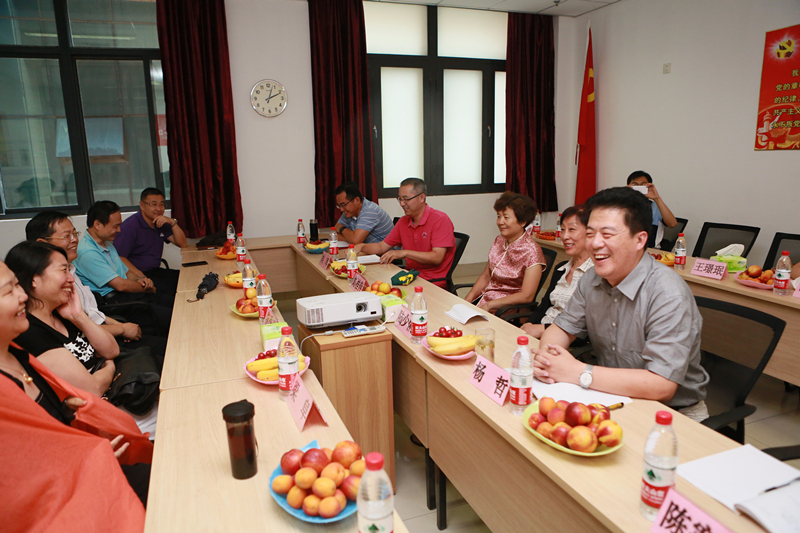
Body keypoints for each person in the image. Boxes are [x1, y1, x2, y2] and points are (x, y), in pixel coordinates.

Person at [533, 187, 710, 422]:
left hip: (673, 413)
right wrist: (549, 360)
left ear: (640, 240)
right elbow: (562, 328)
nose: (595, 244)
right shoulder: (591, 279)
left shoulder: (668, 293)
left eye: (607, 234)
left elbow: (661, 385)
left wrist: (577, 372)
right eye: (590, 233)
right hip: (612, 396)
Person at [0, 260, 152, 524]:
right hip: (61, 499)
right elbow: (18, 479)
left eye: (17, 285)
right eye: (9, 291)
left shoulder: (17, 354)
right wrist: (82, 462)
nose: (23, 295)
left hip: (87, 464)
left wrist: (69, 414)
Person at [7, 241, 158, 435]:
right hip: (101, 415)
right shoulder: (31, 331)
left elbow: (112, 350)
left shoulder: (61, 313)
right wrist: (109, 365)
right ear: (35, 279)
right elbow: (93, 388)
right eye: (63, 270)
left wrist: (78, 316)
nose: (71, 279)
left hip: (123, 395)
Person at [26, 211, 167, 366]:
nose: (74, 240)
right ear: (42, 243)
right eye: (66, 236)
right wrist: (121, 329)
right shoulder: (52, 287)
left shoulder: (71, 269)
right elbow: (81, 332)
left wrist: (120, 326)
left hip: (105, 331)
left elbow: (93, 312)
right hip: (95, 344)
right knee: (166, 349)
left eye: (75, 234)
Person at [74, 200, 172, 333]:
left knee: (175, 301)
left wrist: (140, 280)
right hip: (117, 303)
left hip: (128, 295)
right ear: (97, 224)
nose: (119, 230)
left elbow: (126, 273)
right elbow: (120, 285)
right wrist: (147, 289)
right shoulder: (87, 252)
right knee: (173, 315)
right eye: (115, 226)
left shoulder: (107, 244)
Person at [355, 178, 455, 288]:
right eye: (400, 199)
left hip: (433, 282)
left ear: (422, 197)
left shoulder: (440, 219)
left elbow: (437, 257)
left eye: (406, 199)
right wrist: (362, 246)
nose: (402, 204)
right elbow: (381, 247)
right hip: (409, 277)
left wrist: (405, 253)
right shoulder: (403, 221)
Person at [464, 191, 546, 313]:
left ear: (523, 222)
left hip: (508, 309)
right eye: (498, 216)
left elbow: (526, 296)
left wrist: (490, 305)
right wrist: (468, 299)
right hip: (486, 300)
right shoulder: (500, 240)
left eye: (506, 217)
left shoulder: (532, 251)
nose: (500, 222)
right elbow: (486, 276)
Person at [521, 204, 593, 339]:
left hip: (565, 341)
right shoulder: (561, 268)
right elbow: (544, 306)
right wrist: (529, 324)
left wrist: (543, 329)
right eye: (563, 229)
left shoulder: (596, 274)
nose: (564, 236)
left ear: (591, 233)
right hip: (540, 333)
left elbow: (586, 327)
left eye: (572, 229)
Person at [114, 188, 187, 300]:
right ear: (142, 205)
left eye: (162, 204)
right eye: (153, 204)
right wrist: (140, 276)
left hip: (155, 271)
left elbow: (182, 244)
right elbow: (119, 257)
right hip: (139, 276)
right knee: (175, 292)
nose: (159, 209)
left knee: (186, 278)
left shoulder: (160, 222)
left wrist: (172, 223)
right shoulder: (130, 227)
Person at [627, 171, 678, 249]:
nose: (639, 187)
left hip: (651, 249)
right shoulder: (622, 206)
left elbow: (672, 224)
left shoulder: (656, 206)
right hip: (626, 248)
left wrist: (657, 198)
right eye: (635, 185)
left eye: (643, 185)